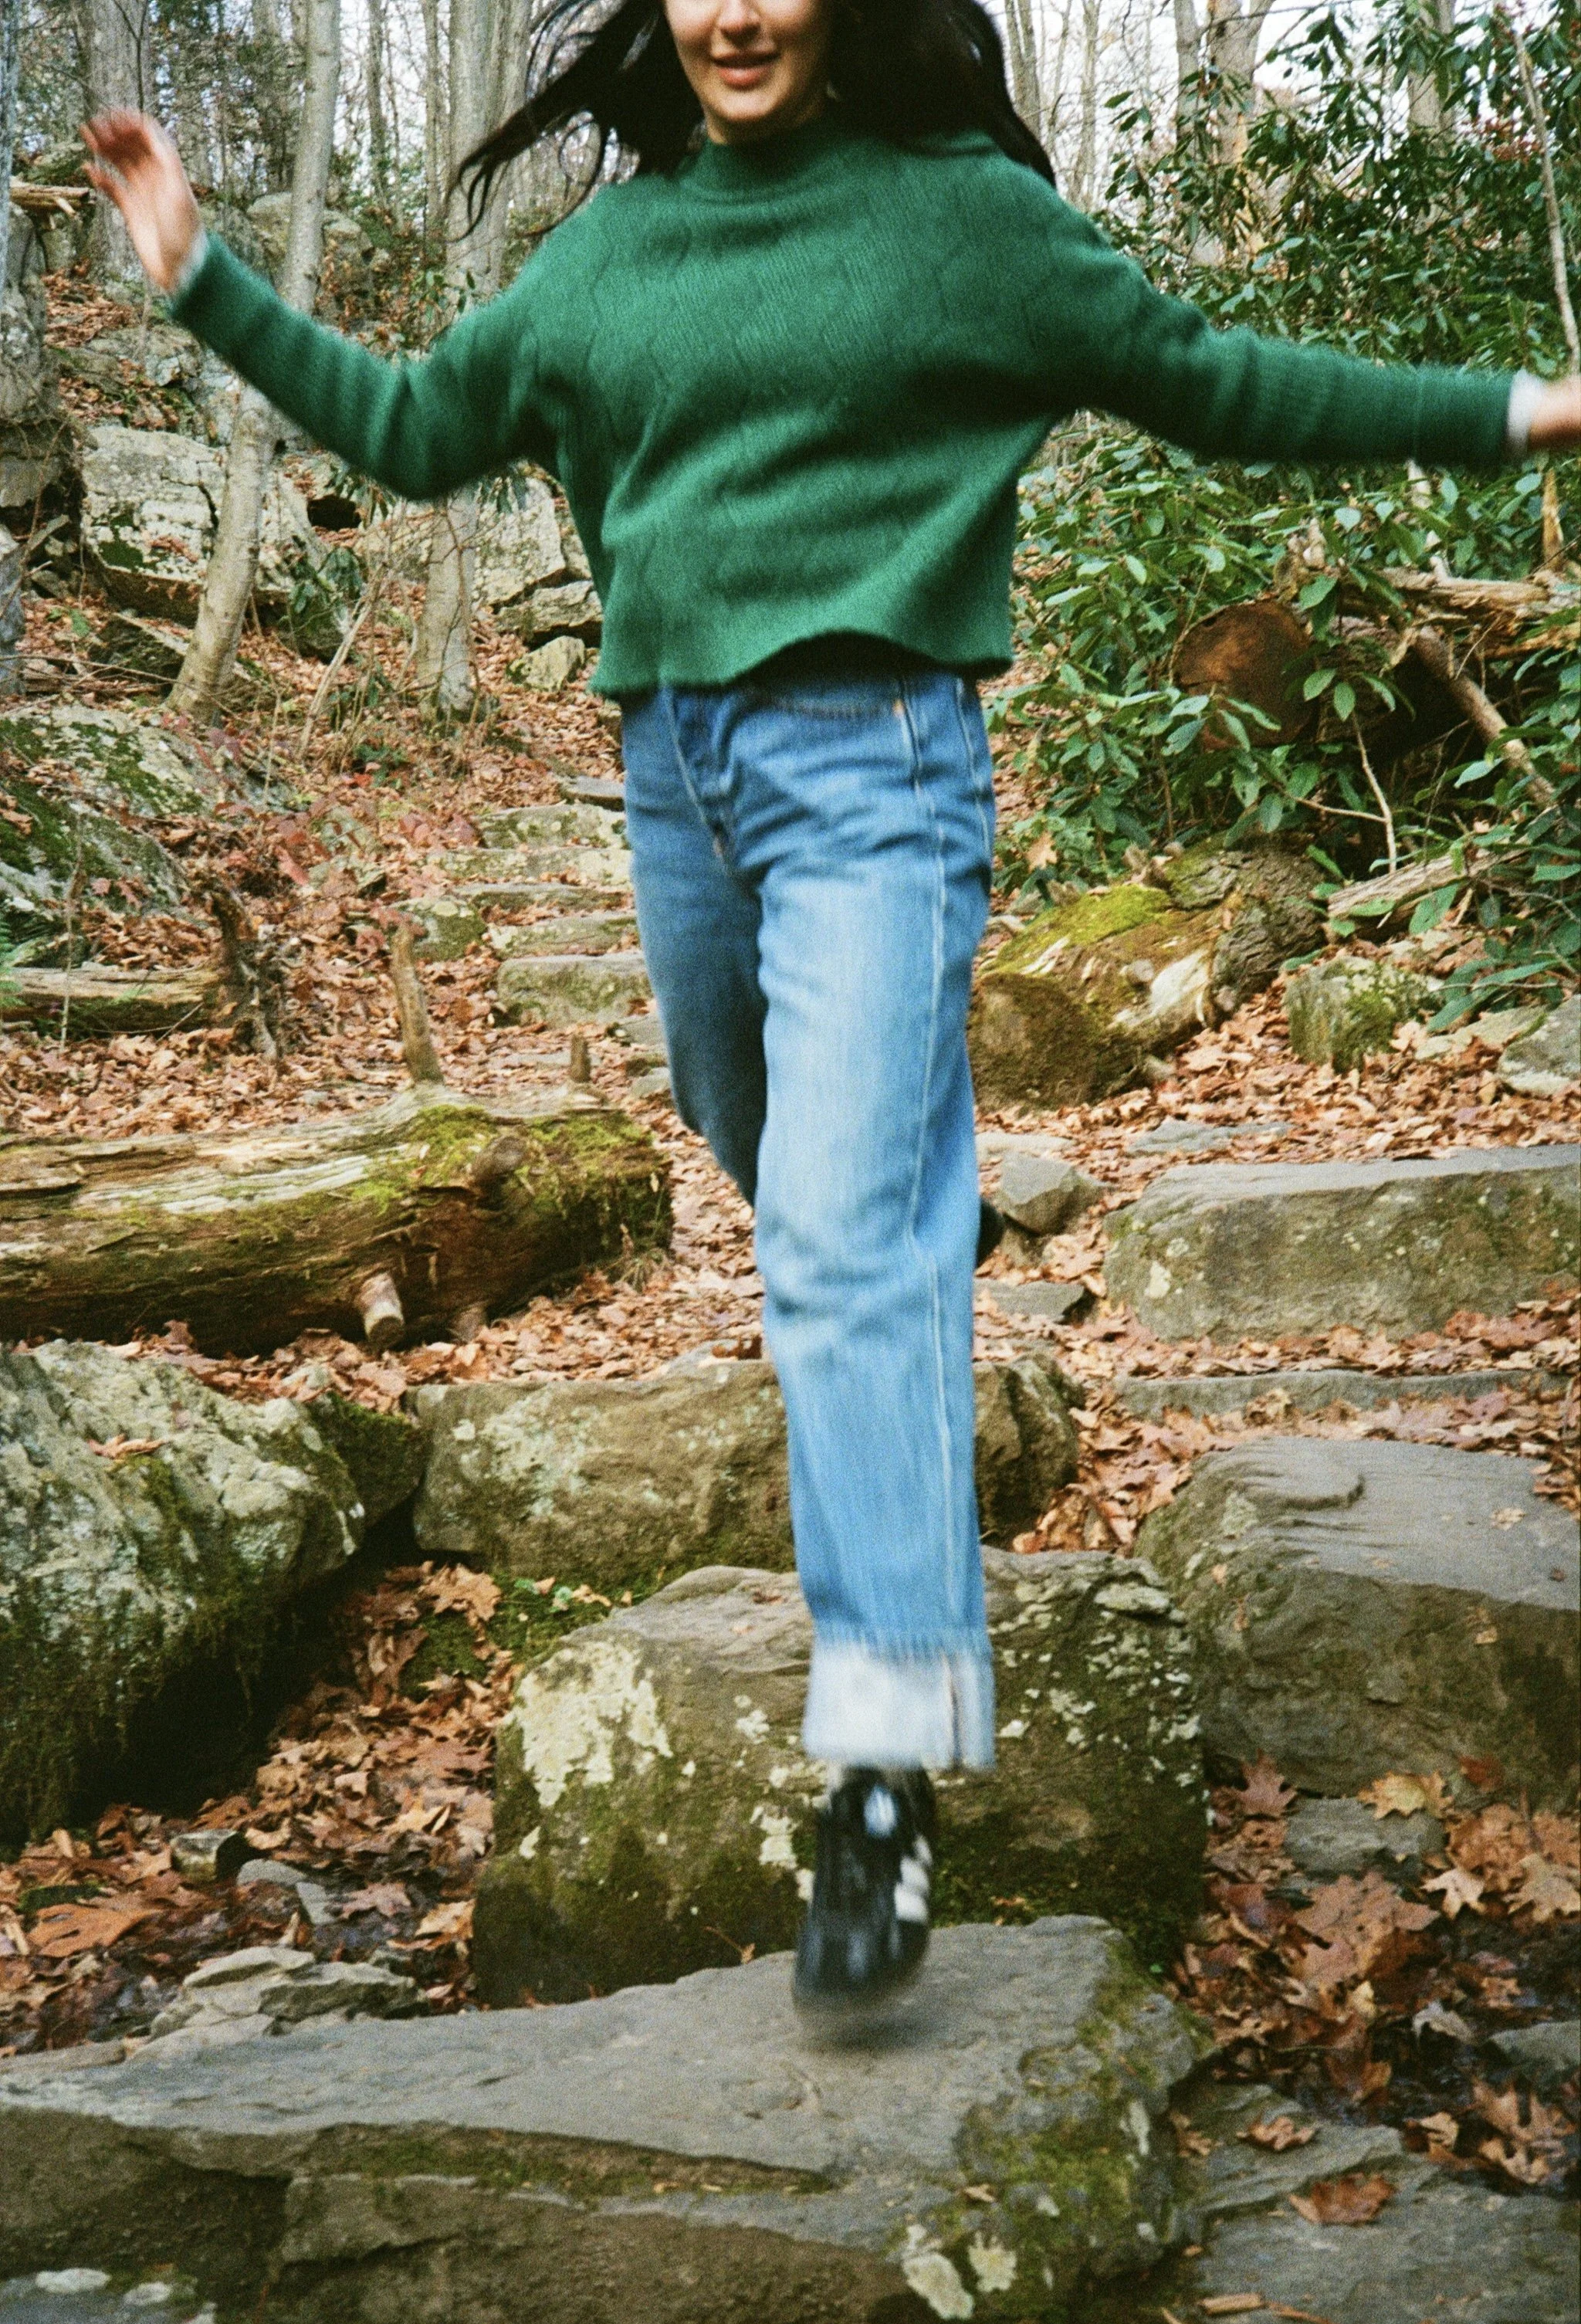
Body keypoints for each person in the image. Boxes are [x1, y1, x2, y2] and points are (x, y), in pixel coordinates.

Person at [86, 0, 1579, 2021]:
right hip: (676, 784)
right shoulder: (610, 249)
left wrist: (1515, 412)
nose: (736, 12)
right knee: (767, 1139)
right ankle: (900, 1199)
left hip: (877, 762)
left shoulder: (959, 219)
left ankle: (878, 1765)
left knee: (834, 1241)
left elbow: (1218, 382)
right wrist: (204, 272)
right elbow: (418, 430)